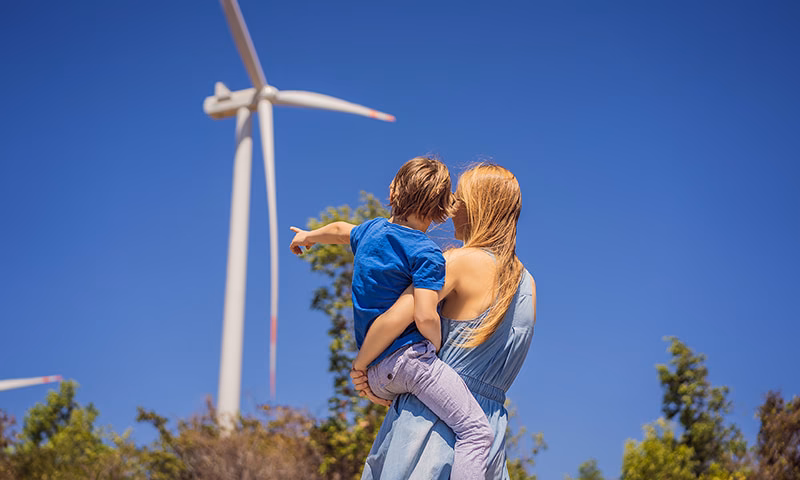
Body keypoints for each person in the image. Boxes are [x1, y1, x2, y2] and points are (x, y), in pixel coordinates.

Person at [289, 156, 494, 479]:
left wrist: (308, 236)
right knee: (476, 432)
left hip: (376, 373)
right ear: (442, 209)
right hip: (410, 362)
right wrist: (435, 345)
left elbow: (341, 230)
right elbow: (424, 314)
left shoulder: (371, 231)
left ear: (393, 191)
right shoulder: (427, 253)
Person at [350, 163, 536, 480]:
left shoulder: (457, 262)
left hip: (431, 431)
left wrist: (362, 369)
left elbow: (394, 320)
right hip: (488, 443)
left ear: (476, 207)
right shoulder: (527, 284)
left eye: (457, 199)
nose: (449, 209)